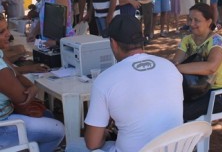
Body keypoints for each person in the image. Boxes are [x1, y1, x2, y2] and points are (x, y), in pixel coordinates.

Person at [66, 15, 183, 152]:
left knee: (72, 147)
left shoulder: (105, 80)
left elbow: (92, 143)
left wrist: (104, 133)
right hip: (176, 148)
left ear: (113, 43)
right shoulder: (169, 67)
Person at [0, 14, 65, 151]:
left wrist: (32, 86)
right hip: (3, 126)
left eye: (7, 29)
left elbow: (15, 72)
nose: (8, 34)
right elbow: (23, 98)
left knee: (47, 115)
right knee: (58, 130)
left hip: (6, 115)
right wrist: (32, 88)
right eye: (2, 32)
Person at [172, 3, 222, 121]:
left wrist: (178, 68)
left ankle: (189, 138)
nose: (191, 24)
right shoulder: (187, 40)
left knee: (178, 115)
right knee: (167, 108)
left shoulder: (217, 41)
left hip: (220, 93)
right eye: (190, 19)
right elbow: (176, 61)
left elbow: (211, 67)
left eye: (197, 20)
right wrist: (177, 66)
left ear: (209, 21)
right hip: (197, 89)